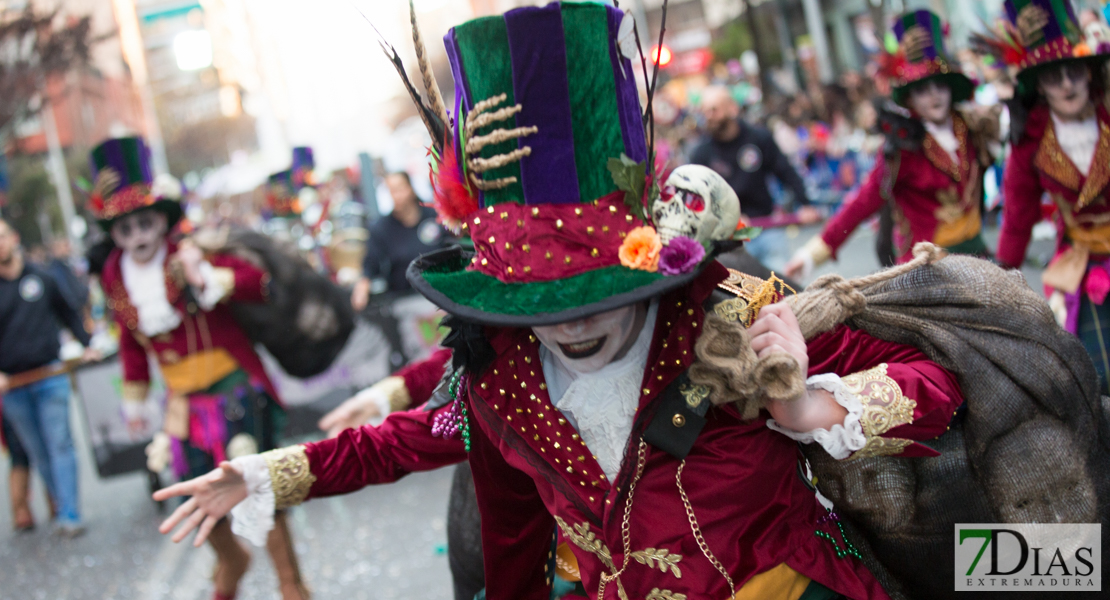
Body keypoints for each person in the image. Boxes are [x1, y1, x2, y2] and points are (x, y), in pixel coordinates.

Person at [151, 4, 978, 597]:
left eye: (592, 296)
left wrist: (805, 408)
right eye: (543, 304)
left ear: (642, 267)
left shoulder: (732, 316)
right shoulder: (502, 377)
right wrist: (264, 472)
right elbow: (396, 445)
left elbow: (936, 389)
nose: (573, 321)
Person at [89, 137, 307, 600]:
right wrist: (134, 397)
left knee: (257, 489)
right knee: (196, 498)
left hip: (234, 386)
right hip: (183, 402)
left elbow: (258, 284)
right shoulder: (113, 275)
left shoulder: (190, 251)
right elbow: (131, 342)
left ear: (161, 217)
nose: (138, 236)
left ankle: (291, 584)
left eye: (144, 223)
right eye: (124, 228)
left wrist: (212, 279)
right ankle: (231, 561)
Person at [786, 10, 996, 280]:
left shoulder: (971, 129)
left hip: (978, 261)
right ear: (909, 97)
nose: (933, 96)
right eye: (922, 89)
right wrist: (812, 254)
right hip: (927, 272)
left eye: (939, 85)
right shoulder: (903, 148)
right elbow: (863, 202)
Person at [992, 0, 1110, 393]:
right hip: (1082, 266)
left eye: (1073, 70)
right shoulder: (1030, 142)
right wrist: (997, 288)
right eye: (1052, 76)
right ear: (1038, 85)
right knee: (1096, 377)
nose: (1066, 84)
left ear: (1088, 70)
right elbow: (1017, 219)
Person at [0, 217, 97, 537]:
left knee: (60, 444)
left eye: (2, 236)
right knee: (39, 452)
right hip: (13, 386)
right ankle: (59, 503)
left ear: (14, 237)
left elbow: (69, 313)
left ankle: (70, 513)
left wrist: (87, 345)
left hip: (50, 375)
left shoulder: (42, 278)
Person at [690, 86, 820, 271]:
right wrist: (729, 218)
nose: (708, 116)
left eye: (714, 110)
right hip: (730, 240)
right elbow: (698, 200)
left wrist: (806, 203)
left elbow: (785, 171)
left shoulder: (759, 137)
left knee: (781, 285)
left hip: (766, 228)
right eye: (704, 111)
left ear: (732, 109)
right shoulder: (701, 154)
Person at [350, 172, 452, 310]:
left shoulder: (434, 216)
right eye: (390, 191)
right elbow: (370, 263)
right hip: (405, 300)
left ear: (410, 188)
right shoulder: (381, 228)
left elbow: (454, 246)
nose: (395, 196)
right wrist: (362, 286)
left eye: (399, 189)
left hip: (444, 293)